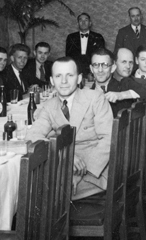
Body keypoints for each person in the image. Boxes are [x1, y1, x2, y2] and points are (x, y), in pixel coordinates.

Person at [27, 57, 113, 200]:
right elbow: (32, 136)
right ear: (52, 80)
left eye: (70, 75)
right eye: (58, 76)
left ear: (79, 78)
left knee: (45, 195)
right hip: (64, 168)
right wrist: (65, 155)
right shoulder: (49, 106)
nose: (64, 81)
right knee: (30, 188)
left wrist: (79, 175)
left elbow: (109, 139)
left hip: (96, 171)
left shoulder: (95, 98)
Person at [87, 48, 146, 115]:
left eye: (105, 65)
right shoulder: (87, 92)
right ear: (91, 68)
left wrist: (121, 95)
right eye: (96, 65)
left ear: (113, 68)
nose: (100, 70)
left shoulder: (124, 84)